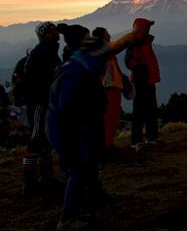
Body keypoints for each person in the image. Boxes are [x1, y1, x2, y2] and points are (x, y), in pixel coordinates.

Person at [47, 33, 136, 231]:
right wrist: (82, 129)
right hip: (69, 131)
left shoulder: (80, 68)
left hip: (72, 129)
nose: (106, 62)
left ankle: (83, 208)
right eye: (104, 58)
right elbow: (67, 107)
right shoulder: (75, 73)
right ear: (97, 56)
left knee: (85, 169)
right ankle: (68, 219)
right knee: (78, 171)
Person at [21, 21, 65, 196]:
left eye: (55, 31)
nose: (55, 33)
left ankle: (47, 178)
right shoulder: (43, 54)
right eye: (51, 31)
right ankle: (29, 182)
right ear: (43, 35)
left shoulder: (48, 52)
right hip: (39, 103)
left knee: (45, 141)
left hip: (46, 102)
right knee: (37, 139)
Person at [92, 28, 131, 153]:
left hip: (109, 87)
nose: (110, 35)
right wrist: (134, 34)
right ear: (103, 37)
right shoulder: (103, 49)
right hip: (110, 88)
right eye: (107, 34)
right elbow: (119, 44)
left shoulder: (98, 50)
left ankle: (106, 143)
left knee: (109, 117)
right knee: (110, 117)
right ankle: (106, 146)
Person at [125, 18, 161, 147]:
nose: (149, 29)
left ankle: (152, 137)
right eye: (147, 27)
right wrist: (141, 71)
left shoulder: (145, 42)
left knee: (150, 109)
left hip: (149, 80)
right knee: (139, 111)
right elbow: (130, 62)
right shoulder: (136, 43)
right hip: (141, 81)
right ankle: (137, 140)